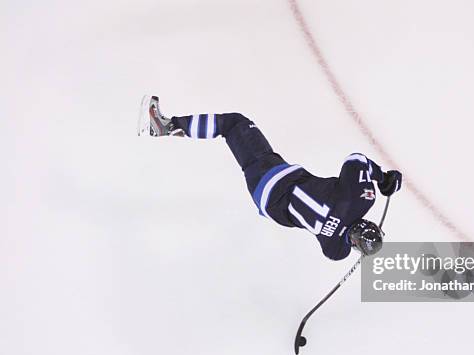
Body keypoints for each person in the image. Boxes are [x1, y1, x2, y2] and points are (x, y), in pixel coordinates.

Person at [137, 95, 402, 260]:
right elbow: (342, 247)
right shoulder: (334, 249)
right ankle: (168, 128)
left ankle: (165, 126)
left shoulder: (358, 200)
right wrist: (361, 248)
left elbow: (356, 160)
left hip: (274, 176)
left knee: (235, 124)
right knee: (244, 141)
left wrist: (383, 179)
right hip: (266, 202)